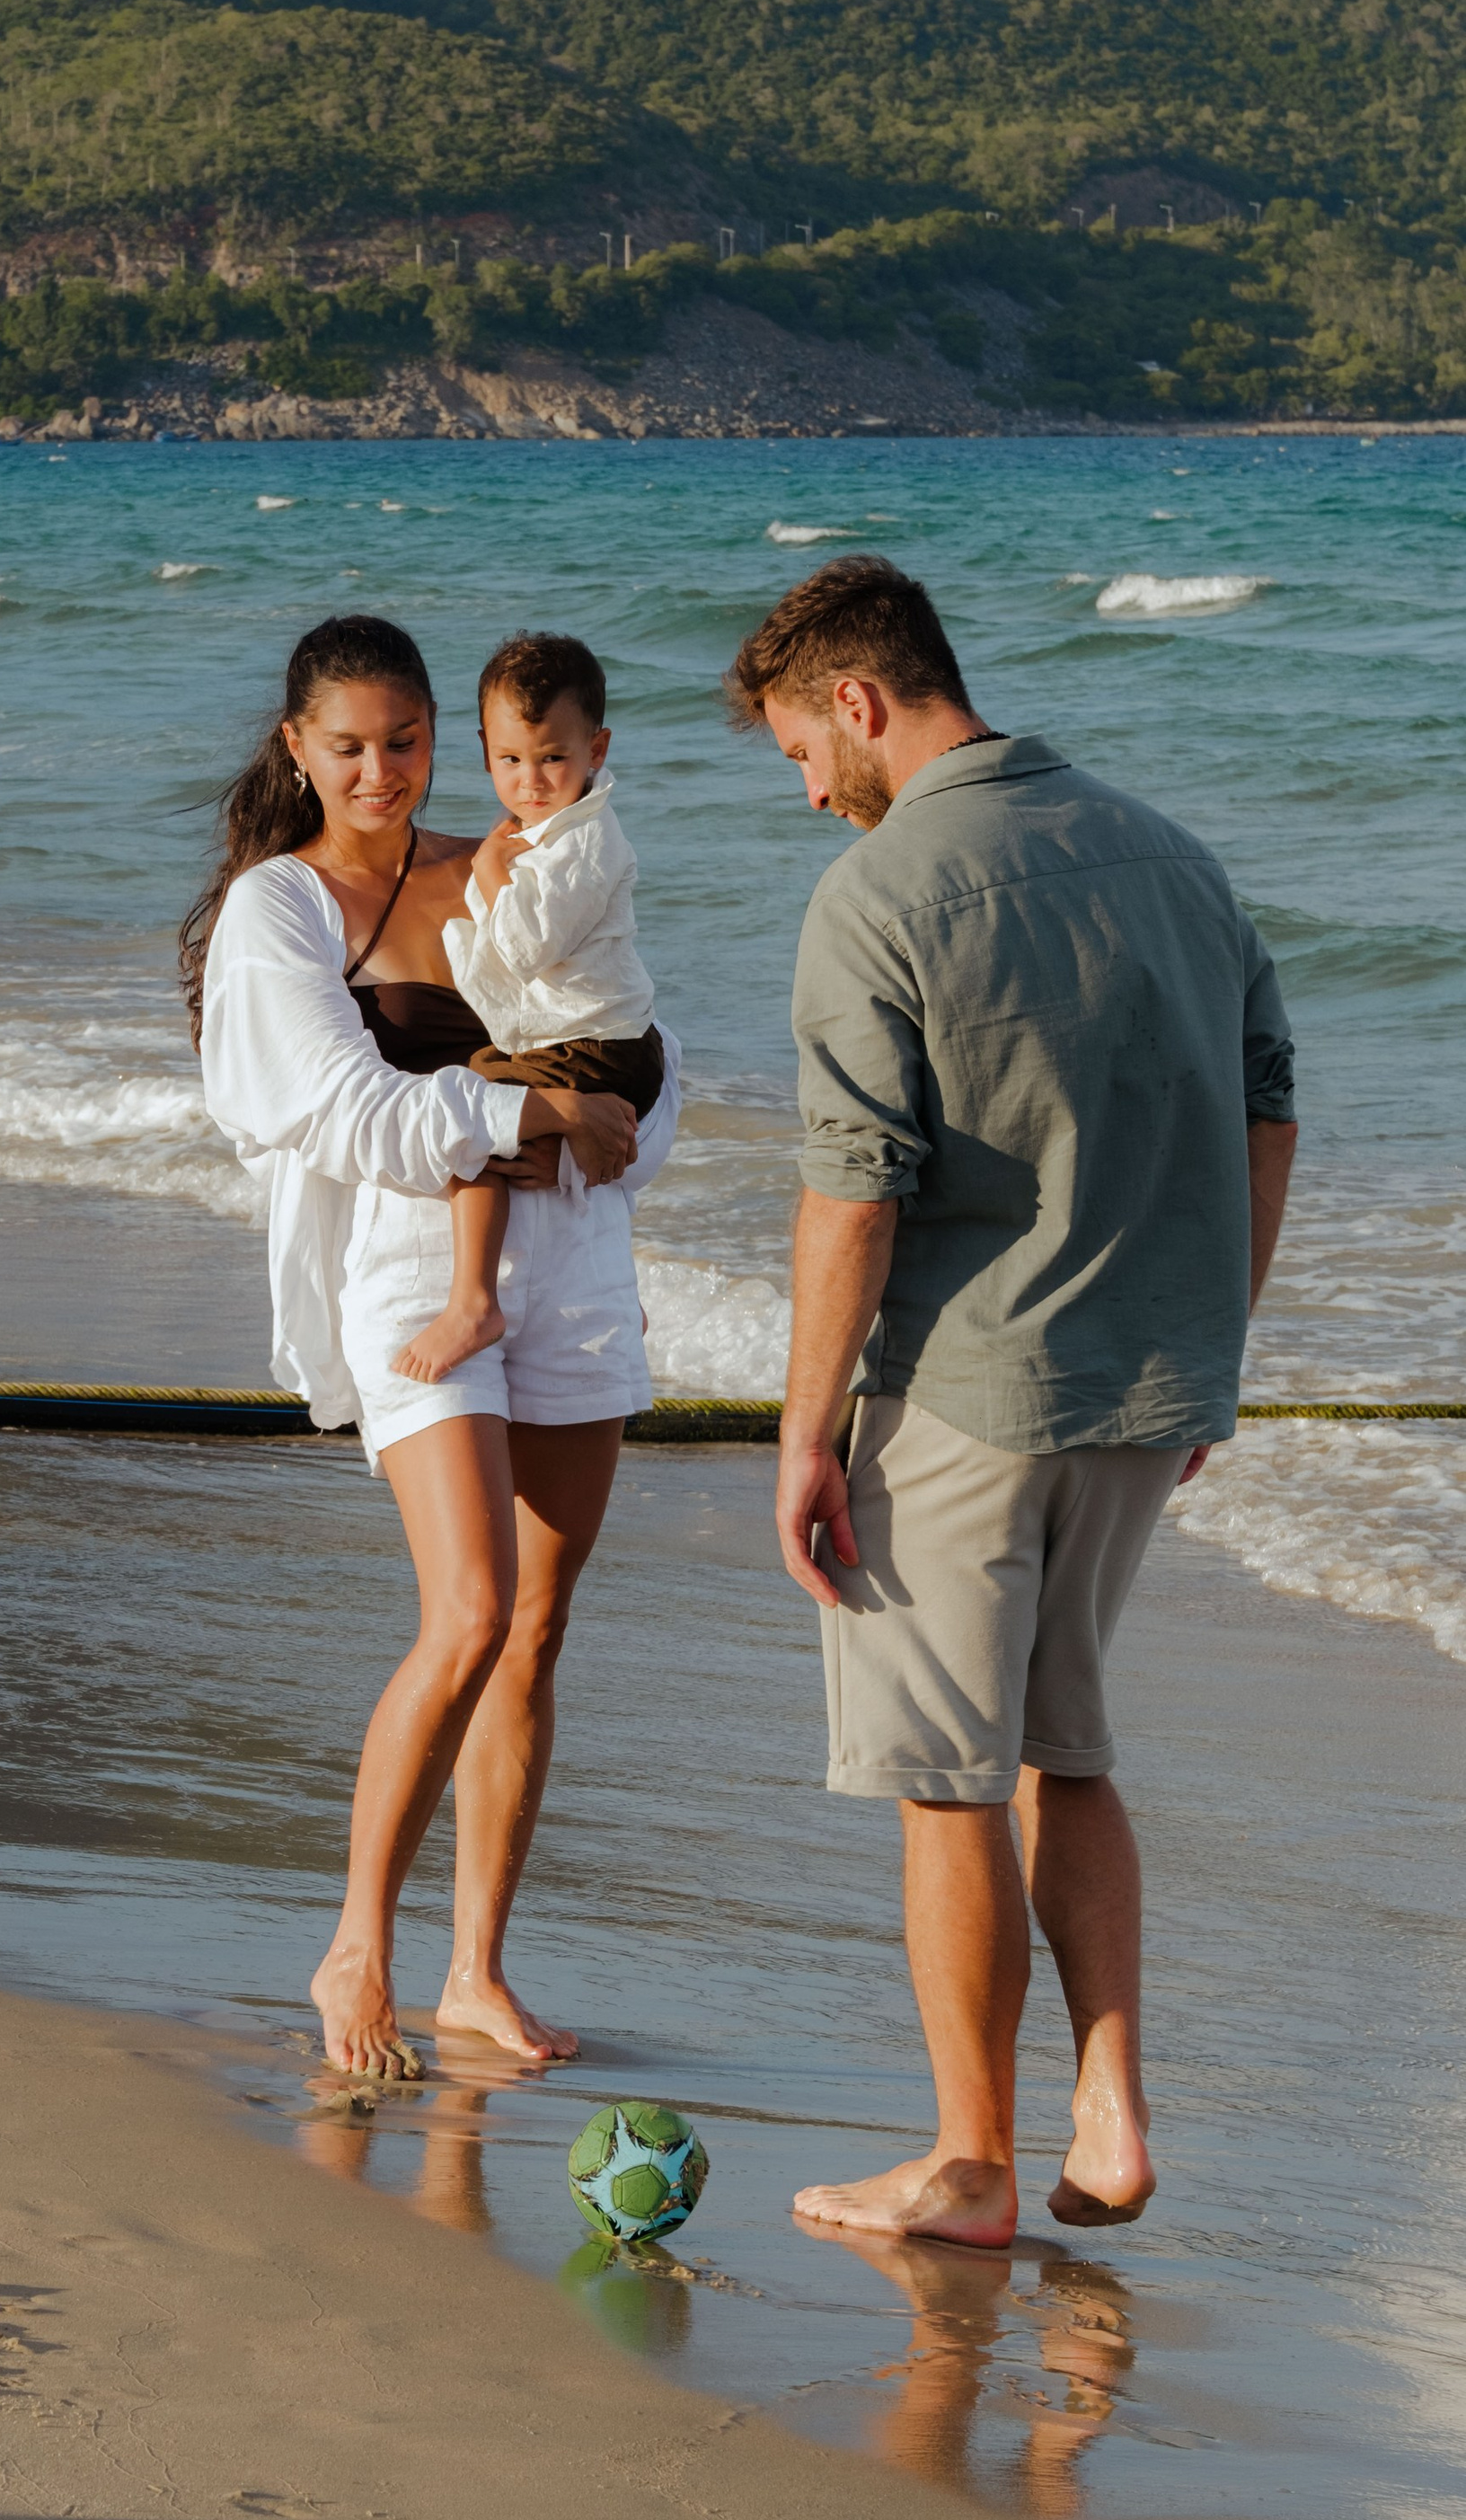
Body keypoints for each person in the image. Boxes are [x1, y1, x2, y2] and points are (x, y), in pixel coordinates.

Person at [727, 553, 1296, 2249]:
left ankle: (972, 2159)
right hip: (1144, 1383)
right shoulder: (1171, 857)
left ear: (858, 697)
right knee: (1073, 1751)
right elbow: (1269, 1107)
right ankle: (1108, 2105)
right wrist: (1213, 1341)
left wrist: (805, 1430)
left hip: (960, 1391)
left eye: (798, 755)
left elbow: (855, 1192)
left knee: (949, 1779)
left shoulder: (882, 894)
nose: (809, 793)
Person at [186, 614, 681, 2081]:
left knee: (534, 1630)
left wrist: (610, 1132)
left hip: (577, 1262)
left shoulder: (515, 859)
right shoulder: (277, 910)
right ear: (297, 747)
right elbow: (338, 1115)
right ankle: (359, 1945)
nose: (382, 771)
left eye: (406, 741)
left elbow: (634, 1050)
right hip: (412, 1277)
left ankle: (476, 1971)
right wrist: (529, 1114)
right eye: (349, 745)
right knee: (466, 1610)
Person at [391, 632, 665, 1385]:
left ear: (596, 748)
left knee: (473, 1113)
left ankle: (474, 1302)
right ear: (485, 751)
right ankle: (615, 1292)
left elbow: (520, 947)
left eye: (553, 757)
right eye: (511, 760)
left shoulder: (581, 845)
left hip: (599, 1045)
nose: (531, 779)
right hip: (598, 1037)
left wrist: (482, 871)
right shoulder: (544, 837)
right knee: (525, 1143)